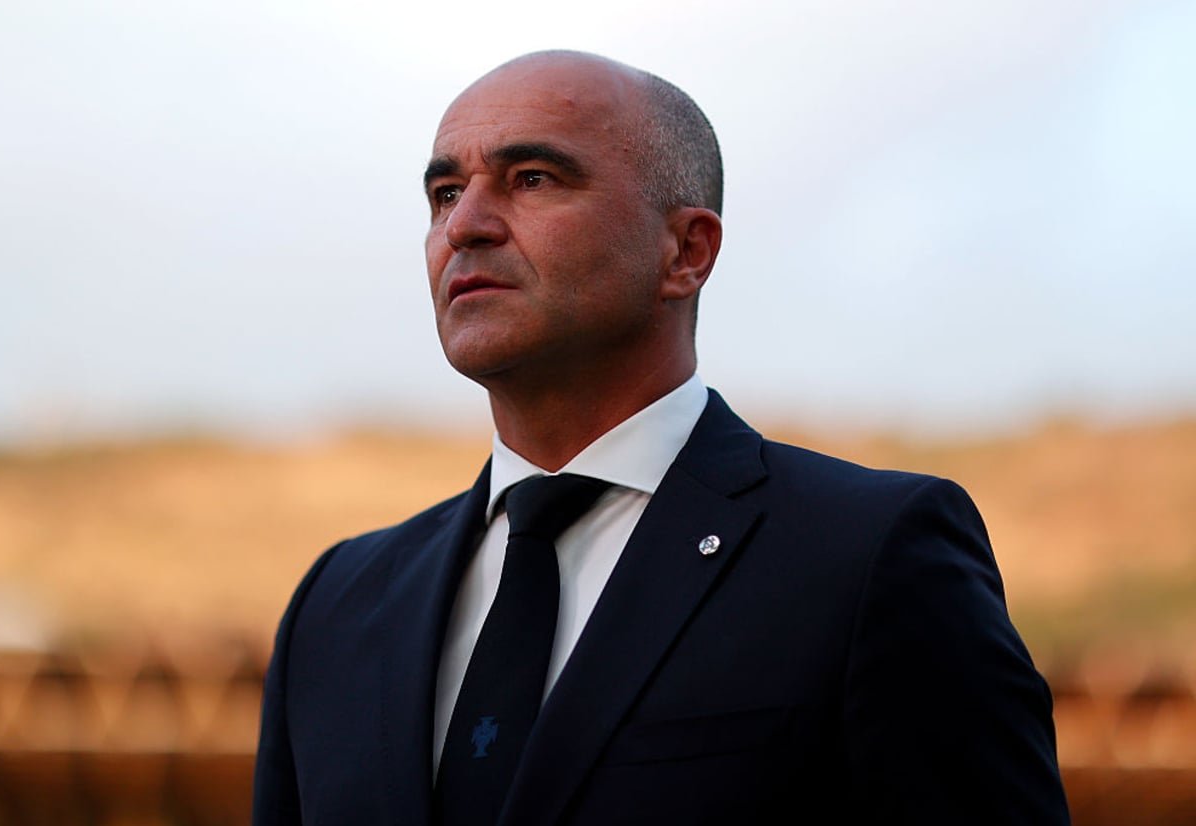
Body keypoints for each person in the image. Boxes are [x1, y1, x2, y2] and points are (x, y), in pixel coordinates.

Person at [253, 51, 1070, 825]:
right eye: (443, 194)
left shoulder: (868, 557)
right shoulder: (339, 605)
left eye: (532, 179)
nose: (464, 225)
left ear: (686, 251)